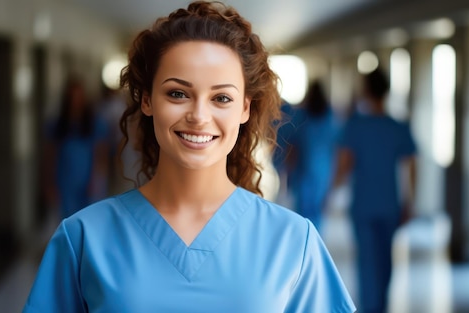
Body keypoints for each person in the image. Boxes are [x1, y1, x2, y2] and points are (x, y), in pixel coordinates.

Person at [24, 2, 355, 312]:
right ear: (147, 100)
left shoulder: (293, 241)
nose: (198, 115)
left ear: (244, 108)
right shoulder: (84, 238)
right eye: (178, 93)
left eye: (221, 98)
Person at [333, 68, 417, 313]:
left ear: (365, 91)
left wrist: (331, 192)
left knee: (368, 263)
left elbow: (344, 164)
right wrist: (410, 201)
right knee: (385, 261)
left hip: (364, 206)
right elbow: (411, 166)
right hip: (390, 204)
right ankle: (380, 305)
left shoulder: (355, 127)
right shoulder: (397, 126)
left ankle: (372, 307)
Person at [43, 75, 109, 219]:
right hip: (65, 179)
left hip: (88, 178)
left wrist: (98, 179)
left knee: (89, 218)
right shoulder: (58, 124)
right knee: (68, 218)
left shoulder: (94, 123)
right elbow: (50, 154)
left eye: (79, 97)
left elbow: (101, 152)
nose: (76, 101)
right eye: (72, 97)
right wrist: (49, 182)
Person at [289, 80, 340, 229]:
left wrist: (288, 171)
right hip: (324, 172)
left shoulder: (301, 116)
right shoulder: (330, 117)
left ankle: (304, 244)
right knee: (318, 213)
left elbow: (293, 148)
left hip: (304, 172)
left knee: (302, 214)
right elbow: (337, 148)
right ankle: (315, 243)